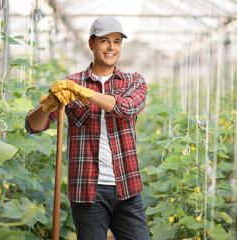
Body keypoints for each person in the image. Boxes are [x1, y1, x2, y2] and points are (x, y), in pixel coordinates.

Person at [25, 16, 149, 240]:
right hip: (87, 188)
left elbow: (127, 108)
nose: (111, 47)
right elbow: (33, 126)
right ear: (91, 44)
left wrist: (86, 93)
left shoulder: (133, 81)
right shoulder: (70, 83)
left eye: (117, 41)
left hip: (126, 186)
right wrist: (48, 105)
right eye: (104, 40)